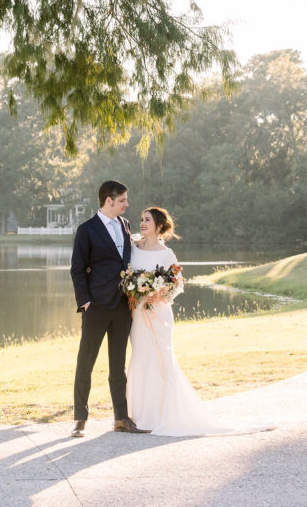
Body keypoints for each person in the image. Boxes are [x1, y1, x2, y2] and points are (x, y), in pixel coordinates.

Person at [127, 206, 270, 437]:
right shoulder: (134, 249)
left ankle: (158, 415)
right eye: (141, 219)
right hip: (137, 314)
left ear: (159, 226)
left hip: (159, 313)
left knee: (159, 358)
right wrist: (134, 291)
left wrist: (159, 294)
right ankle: (138, 414)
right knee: (140, 356)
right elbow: (128, 275)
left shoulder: (166, 254)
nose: (142, 223)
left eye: (147, 220)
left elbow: (178, 284)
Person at [70, 180, 150, 437]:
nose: (127, 204)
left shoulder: (125, 226)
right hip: (96, 307)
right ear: (109, 201)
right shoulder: (87, 230)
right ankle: (80, 419)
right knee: (86, 362)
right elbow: (77, 269)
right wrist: (85, 302)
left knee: (118, 366)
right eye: (123, 200)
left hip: (122, 306)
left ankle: (121, 418)